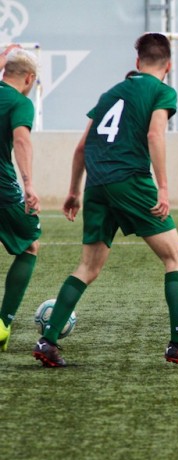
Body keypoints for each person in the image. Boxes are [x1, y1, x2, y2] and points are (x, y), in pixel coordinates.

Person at [32, 33, 178, 368]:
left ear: (136, 62)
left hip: (97, 186)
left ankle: (48, 340)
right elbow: (155, 134)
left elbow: (80, 146)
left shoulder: (110, 93)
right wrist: (162, 187)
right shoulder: (162, 91)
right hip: (131, 180)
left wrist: (73, 191)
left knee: (88, 267)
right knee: (176, 258)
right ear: (168, 66)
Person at [0, 46, 40, 351]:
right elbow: (22, 139)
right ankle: (2, 324)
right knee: (28, 245)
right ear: (29, 79)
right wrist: (28, 184)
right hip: (2, 188)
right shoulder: (20, 103)